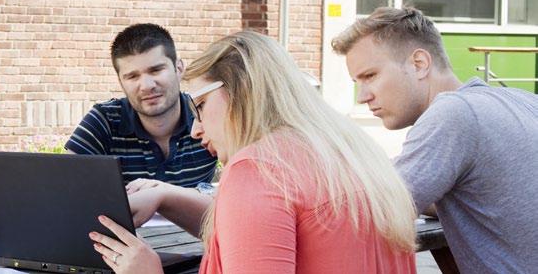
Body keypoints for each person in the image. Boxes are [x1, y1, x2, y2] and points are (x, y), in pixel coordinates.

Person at [87, 31, 418, 273]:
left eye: (200, 106)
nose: (195, 129)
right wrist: (167, 195)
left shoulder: (258, 170)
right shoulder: (354, 151)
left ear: (241, 91)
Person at [332, 7, 538, 273]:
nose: (362, 96)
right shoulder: (522, 101)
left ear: (419, 64)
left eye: (370, 76)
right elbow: (489, 197)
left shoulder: (452, 114)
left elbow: (374, 212)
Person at [65, 23, 218, 190]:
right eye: (132, 76)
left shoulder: (206, 113)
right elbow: (64, 185)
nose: (146, 85)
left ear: (179, 68)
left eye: (156, 70)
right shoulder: (105, 120)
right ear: (121, 82)